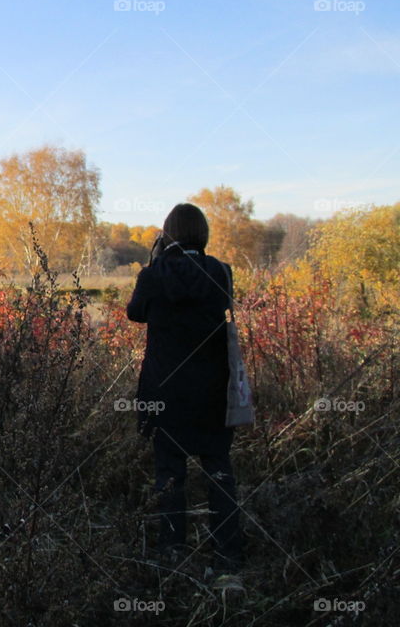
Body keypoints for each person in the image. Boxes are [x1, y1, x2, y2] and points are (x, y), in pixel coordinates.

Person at [126, 203, 245, 580]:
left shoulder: (153, 275)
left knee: (170, 473)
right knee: (219, 470)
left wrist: (157, 260)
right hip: (213, 391)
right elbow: (220, 305)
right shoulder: (221, 273)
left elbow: (135, 313)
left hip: (165, 391)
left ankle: (172, 554)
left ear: (168, 235)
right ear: (203, 234)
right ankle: (228, 556)